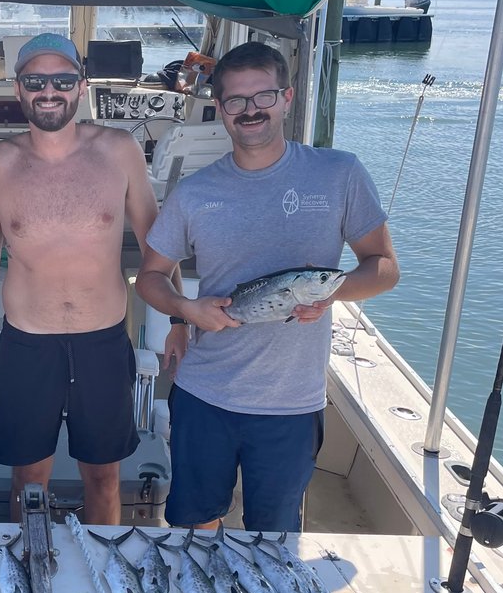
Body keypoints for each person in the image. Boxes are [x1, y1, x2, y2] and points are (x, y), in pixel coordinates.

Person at [136, 40, 399, 533]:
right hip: (204, 393)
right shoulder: (195, 192)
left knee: (273, 537)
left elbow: (383, 267)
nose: (250, 110)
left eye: (263, 96)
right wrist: (186, 310)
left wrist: (329, 293)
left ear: (287, 98)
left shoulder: (339, 174)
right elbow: (149, 278)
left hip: (292, 402)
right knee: (195, 525)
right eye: (236, 100)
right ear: (220, 109)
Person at [0, 33, 160, 525]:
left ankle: (98, 582)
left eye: (63, 80)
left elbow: (160, 242)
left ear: (82, 86)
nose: (49, 91)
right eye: (35, 81)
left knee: (105, 478)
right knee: (28, 482)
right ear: (18, 90)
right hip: (29, 343)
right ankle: (29, 575)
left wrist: (176, 321)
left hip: (104, 341)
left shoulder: (119, 150)